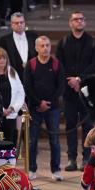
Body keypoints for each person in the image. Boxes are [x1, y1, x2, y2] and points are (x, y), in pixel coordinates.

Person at [57, 11, 95, 171]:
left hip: (87, 90)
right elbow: (59, 65)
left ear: (85, 22)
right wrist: (71, 80)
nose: (79, 22)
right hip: (69, 91)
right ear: (70, 23)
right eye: (75, 19)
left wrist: (79, 79)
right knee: (70, 125)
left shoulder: (93, 42)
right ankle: (71, 159)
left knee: (88, 125)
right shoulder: (63, 43)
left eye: (81, 19)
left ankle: (87, 158)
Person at [23, 35, 66, 180]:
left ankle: (56, 170)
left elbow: (61, 86)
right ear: (36, 48)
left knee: (54, 140)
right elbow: (28, 87)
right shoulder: (31, 64)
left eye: (47, 45)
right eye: (42, 46)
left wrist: (48, 103)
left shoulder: (56, 64)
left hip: (52, 109)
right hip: (35, 109)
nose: (45, 48)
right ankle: (32, 169)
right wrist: (38, 103)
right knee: (32, 140)